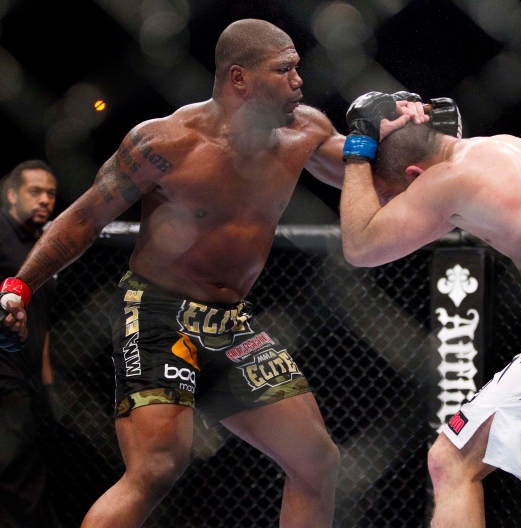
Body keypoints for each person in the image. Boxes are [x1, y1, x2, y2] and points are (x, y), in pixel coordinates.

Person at [0, 20, 453, 528]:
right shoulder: (164, 143)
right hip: (156, 313)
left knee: (317, 462)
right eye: (284, 70)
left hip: (231, 323)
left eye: (298, 68)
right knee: (155, 468)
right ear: (239, 78)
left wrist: (415, 139)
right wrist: (21, 284)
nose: (300, 82)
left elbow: (374, 182)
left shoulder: (305, 130)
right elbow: (83, 219)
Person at [338, 93, 521, 527]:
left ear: (416, 176)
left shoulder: (447, 179)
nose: (399, 207)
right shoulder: (502, 148)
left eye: (396, 196)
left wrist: (357, 148)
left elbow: (360, 245)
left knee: (451, 462)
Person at [0, 160, 61, 527]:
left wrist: (48, 383)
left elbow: (44, 323)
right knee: (21, 477)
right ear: (11, 195)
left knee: (21, 473)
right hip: (2, 372)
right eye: (34, 191)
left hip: (27, 376)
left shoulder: (44, 247)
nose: (44, 200)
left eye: (51, 193)